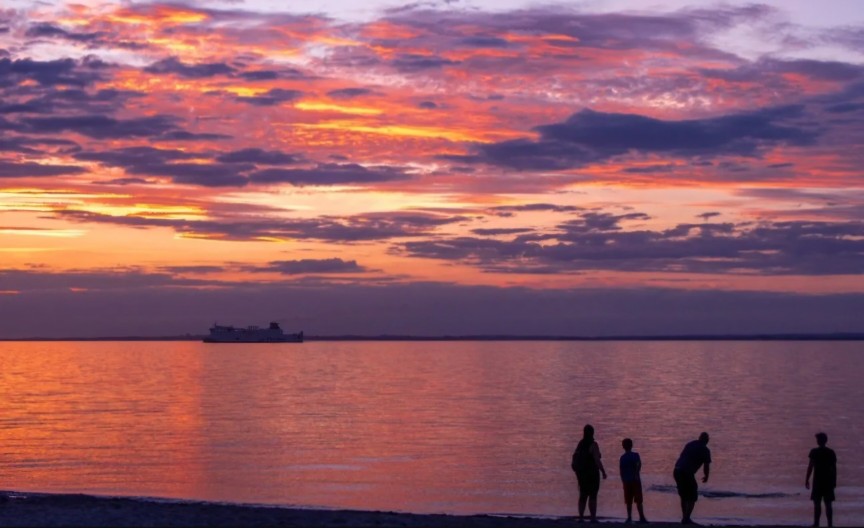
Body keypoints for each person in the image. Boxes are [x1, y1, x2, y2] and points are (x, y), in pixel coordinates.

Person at [673, 432, 711, 525]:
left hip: (677, 470)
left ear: (699, 438)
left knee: (684, 495)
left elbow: (682, 456)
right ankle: (686, 518)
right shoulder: (705, 450)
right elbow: (706, 465)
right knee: (692, 495)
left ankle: (684, 518)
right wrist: (706, 476)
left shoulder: (690, 444)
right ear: (707, 441)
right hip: (686, 472)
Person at [571, 424, 607, 522]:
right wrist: (603, 471)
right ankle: (593, 517)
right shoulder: (593, 444)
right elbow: (597, 459)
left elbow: (575, 457)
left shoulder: (580, 444)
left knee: (583, 495)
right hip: (592, 474)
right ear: (592, 433)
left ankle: (581, 517)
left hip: (581, 474)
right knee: (593, 496)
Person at [806, 432, 837, 528]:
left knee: (817, 504)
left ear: (819, 441)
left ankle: (816, 524)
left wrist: (807, 479)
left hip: (818, 482)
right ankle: (830, 525)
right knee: (828, 504)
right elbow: (834, 468)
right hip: (828, 481)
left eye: (817, 439)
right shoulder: (831, 452)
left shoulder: (814, 452)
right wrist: (834, 481)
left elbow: (810, 466)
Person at [620, 438, 648, 524]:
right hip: (635, 480)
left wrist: (623, 481)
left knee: (629, 501)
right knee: (638, 500)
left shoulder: (623, 457)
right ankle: (642, 517)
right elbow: (639, 464)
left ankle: (629, 517)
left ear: (623, 446)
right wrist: (636, 473)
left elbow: (621, 471)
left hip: (627, 481)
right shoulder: (635, 455)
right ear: (631, 445)